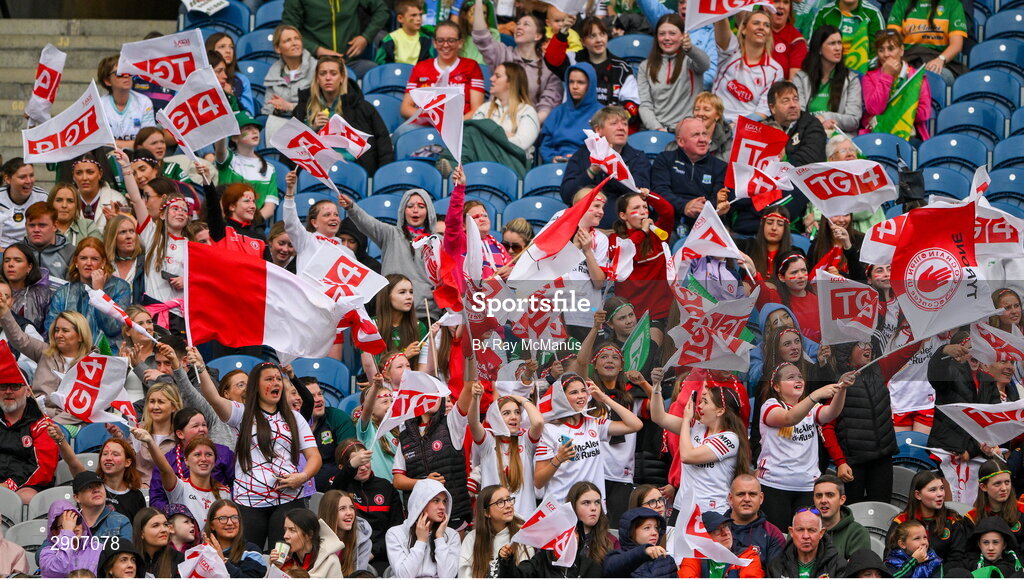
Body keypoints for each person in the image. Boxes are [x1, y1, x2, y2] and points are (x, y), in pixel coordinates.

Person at [195, 353, 321, 549]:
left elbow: (314, 457)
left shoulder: (295, 418)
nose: (276, 383)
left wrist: (302, 476)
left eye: (278, 378)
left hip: (288, 500)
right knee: (248, 560)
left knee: (283, 559)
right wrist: (201, 368)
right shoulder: (241, 413)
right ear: (256, 385)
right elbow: (212, 397)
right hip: (249, 503)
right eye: (269, 379)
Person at [756, 362, 851, 530]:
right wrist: (815, 395)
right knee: (779, 539)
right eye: (790, 377)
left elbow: (831, 413)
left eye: (800, 376)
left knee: (806, 537)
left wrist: (842, 389)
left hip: (807, 486)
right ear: (777, 386)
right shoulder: (770, 405)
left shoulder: (811, 407)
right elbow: (789, 418)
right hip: (774, 485)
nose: (797, 380)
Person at [534, 374, 643, 502]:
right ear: (561, 397)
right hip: (561, 507)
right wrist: (558, 459)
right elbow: (538, 482)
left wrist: (605, 399)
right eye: (574, 392)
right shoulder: (550, 430)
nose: (581, 396)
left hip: (593, 507)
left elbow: (636, 425)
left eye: (583, 390)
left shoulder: (593, 423)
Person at [339, 188, 437, 320]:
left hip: (425, 314)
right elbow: (367, 223)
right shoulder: (389, 234)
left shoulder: (436, 242)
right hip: (391, 313)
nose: (415, 210)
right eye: (410, 206)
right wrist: (351, 207)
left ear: (428, 211)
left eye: (421, 206)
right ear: (403, 210)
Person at [293, 56, 394, 176]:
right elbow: (291, 146)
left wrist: (383, 175)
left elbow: (383, 143)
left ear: (342, 78)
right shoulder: (303, 108)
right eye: (323, 73)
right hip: (314, 171)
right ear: (317, 79)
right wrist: (312, 128)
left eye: (333, 73)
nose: (328, 78)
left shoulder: (361, 107)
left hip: (352, 170)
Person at [0, 301, 92, 424]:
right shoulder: (45, 352)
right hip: (37, 417)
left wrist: (55, 422)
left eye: (65, 331)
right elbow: (19, 339)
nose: (58, 335)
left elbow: (88, 407)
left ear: (80, 336)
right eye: (57, 330)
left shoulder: (92, 363)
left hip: (72, 423)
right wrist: (5, 312)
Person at [560, 106, 652, 229]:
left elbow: (639, 191)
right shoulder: (581, 156)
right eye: (614, 123)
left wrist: (610, 168)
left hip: (625, 229)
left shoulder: (638, 157)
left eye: (625, 124)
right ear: (598, 130)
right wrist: (593, 170)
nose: (621, 128)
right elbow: (567, 194)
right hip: (587, 229)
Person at [472, 5, 561, 124]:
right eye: (518, 24)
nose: (519, 27)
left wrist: (525, 127)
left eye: (526, 24)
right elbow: (481, 36)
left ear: (537, 36)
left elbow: (547, 106)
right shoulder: (502, 53)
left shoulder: (548, 68)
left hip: (527, 127)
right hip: (494, 122)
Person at [544, 17, 641, 125]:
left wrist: (614, 120)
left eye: (602, 34)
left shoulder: (621, 67)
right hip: (574, 125)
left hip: (609, 128)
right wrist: (562, 33)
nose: (599, 40)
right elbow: (551, 59)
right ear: (583, 41)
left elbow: (632, 104)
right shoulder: (574, 60)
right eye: (592, 36)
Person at [133, 429, 229, 534]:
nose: (204, 459)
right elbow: (165, 469)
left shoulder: (224, 492)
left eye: (209, 454)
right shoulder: (181, 487)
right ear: (186, 461)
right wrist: (150, 442)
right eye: (197, 454)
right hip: (185, 549)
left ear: (215, 461)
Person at [45, 237, 131, 350]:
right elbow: (51, 329)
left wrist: (99, 293)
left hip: (106, 355)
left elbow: (113, 327)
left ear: (103, 262)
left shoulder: (120, 288)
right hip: (71, 355)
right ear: (76, 261)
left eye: (94, 259)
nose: (88, 263)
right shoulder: (63, 293)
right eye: (83, 258)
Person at [331, 438, 402, 572]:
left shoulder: (386, 487)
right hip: (348, 555)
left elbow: (396, 529)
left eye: (366, 461)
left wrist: (371, 553)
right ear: (343, 467)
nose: (363, 467)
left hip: (381, 555)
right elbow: (334, 493)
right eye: (358, 463)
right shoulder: (342, 487)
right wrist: (351, 467)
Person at [399, 21, 486, 124]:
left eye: (451, 40)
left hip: (461, 126)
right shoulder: (420, 68)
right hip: (425, 124)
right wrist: (433, 119)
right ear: (434, 43)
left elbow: (477, 110)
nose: (445, 45)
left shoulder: (471, 67)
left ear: (460, 43)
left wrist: (454, 124)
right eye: (440, 40)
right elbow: (405, 108)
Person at [651, 116, 728, 228]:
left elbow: (718, 198)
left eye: (704, 134)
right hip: (670, 222)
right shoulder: (665, 159)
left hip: (706, 224)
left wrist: (703, 209)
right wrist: (684, 206)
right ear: (681, 141)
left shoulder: (720, 167)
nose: (703, 139)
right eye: (696, 135)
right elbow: (660, 191)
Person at [637, 14, 710, 132]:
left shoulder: (690, 60)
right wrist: (658, 128)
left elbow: (705, 64)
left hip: (687, 131)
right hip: (658, 130)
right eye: (662, 34)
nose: (666, 38)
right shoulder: (645, 66)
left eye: (672, 33)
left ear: (683, 35)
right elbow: (645, 104)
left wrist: (690, 49)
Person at [0, 354, 56, 504]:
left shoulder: (43, 424)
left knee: (24, 498)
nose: (8, 391)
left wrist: (9, 485)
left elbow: (43, 468)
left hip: (25, 487)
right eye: (3, 386)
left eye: (16, 386)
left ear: (28, 390)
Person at [712, 9, 785, 123]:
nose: (761, 27)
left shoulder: (775, 70)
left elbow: (763, 110)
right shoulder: (731, 51)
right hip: (717, 120)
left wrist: (738, 126)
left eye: (766, 25)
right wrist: (721, 5)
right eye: (756, 23)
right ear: (744, 29)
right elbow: (721, 22)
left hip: (748, 127)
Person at [860, 30, 933, 140]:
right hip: (878, 134)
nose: (886, 54)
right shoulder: (869, 77)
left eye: (891, 49)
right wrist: (887, 76)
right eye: (881, 50)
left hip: (909, 134)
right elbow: (875, 110)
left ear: (901, 50)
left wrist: (894, 111)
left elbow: (923, 114)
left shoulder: (916, 77)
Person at [888, 470, 967, 570]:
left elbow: (957, 560)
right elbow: (890, 558)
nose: (940, 494)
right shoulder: (902, 521)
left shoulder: (952, 521)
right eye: (933, 490)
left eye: (941, 488)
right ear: (918, 495)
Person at [793, 25, 864, 133]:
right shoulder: (802, 78)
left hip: (838, 138)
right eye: (832, 43)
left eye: (839, 43)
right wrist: (817, 122)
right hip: (808, 134)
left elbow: (853, 120)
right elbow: (797, 114)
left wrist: (825, 117)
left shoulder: (851, 79)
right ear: (819, 49)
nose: (838, 48)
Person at [385, 478, 461, 578]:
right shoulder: (395, 533)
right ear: (421, 502)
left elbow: (448, 576)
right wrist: (421, 541)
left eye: (444, 501)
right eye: (436, 501)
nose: (442, 507)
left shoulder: (452, 535)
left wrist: (440, 538)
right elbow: (404, 576)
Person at [637, 0, 718, 89]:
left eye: (690, 3)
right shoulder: (668, 20)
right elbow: (647, 3)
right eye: (681, 2)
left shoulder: (710, 33)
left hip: (693, 96)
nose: (684, 6)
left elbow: (710, 76)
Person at [469, 62, 541, 160]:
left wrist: (491, 136)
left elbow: (521, 144)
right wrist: (505, 135)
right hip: (483, 160)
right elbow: (473, 136)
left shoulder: (527, 111)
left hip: (513, 163)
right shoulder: (484, 108)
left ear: (511, 83)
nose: (491, 79)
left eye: (497, 76)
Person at [213, 114, 278, 222]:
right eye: (248, 128)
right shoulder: (229, 159)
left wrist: (251, 224)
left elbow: (269, 208)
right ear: (234, 137)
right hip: (225, 222)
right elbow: (220, 149)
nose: (255, 131)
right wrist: (223, 126)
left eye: (256, 128)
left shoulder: (270, 169)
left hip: (254, 224)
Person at [885, 0, 966, 83]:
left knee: (944, 75)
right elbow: (893, 41)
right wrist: (900, 63)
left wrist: (940, 59)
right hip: (908, 59)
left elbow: (956, 45)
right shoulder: (901, 3)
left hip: (938, 59)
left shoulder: (953, 4)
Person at [538, 63, 603, 164]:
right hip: (556, 166)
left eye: (581, 82)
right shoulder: (557, 112)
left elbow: (605, 149)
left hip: (588, 167)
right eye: (571, 82)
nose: (575, 87)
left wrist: (582, 158)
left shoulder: (602, 114)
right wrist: (552, 159)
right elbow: (545, 146)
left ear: (591, 85)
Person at [282, 0, 390, 60]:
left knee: (374, 76)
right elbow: (288, 30)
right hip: (312, 61)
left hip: (349, 61)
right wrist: (316, 50)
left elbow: (382, 11)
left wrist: (365, 37)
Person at [458, 485, 526, 578]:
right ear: (486, 512)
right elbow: (464, 575)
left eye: (509, 499)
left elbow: (525, 574)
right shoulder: (472, 538)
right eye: (501, 502)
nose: (508, 505)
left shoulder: (522, 535)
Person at [677, 511, 765, 577]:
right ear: (705, 537)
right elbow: (686, 576)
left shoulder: (748, 556)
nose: (725, 533)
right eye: (717, 530)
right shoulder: (695, 555)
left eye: (726, 526)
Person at [96, 55, 155, 149]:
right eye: (120, 73)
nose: (126, 76)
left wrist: (113, 144)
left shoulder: (144, 102)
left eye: (128, 72)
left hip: (139, 157)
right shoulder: (99, 105)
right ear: (107, 81)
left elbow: (149, 142)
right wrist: (134, 144)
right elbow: (98, 143)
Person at [766, 80, 828, 169]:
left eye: (796, 99)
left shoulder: (812, 125)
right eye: (785, 101)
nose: (793, 105)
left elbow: (810, 163)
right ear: (772, 108)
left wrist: (783, 158)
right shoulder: (763, 127)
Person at [811, 0, 885, 73]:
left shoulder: (873, 14)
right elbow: (814, 47)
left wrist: (862, 69)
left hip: (861, 72)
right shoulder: (824, 12)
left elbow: (878, 52)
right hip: (828, 70)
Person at [767, 508, 846, 577]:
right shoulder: (776, 566)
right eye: (800, 530)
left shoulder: (838, 565)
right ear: (791, 532)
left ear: (821, 533)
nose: (805, 536)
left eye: (811, 530)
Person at [203, 499, 268, 578]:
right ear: (211, 525)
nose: (230, 523)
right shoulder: (202, 551)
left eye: (234, 517)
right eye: (223, 518)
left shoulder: (251, 551)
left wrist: (222, 561)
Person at [603, 507, 676, 577]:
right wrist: (643, 551)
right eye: (647, 528)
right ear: (630, 532)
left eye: (656, 527)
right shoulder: (616, 557)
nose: (654, 533)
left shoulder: (667, 560)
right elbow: (611, 569)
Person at [966, 459, 1024, 546]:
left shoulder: (1022, 510)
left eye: (1007, 482)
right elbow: (970, 553)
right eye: (997, 484)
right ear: (983, 487)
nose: (1004, 488)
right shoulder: (972, 518)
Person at [270, 508, 343, 577]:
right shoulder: (286, 562)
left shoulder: (330, 561)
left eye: (292, 530)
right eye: (285, 530)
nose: (285, 536)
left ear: (309, 535)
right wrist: (275, 569)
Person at [263, 25, 317, 117]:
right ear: (278, 48)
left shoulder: (317, 68)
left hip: (309, 123)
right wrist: (277, 108)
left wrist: (290, 106)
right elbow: (267, 110)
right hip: (279, 123)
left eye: (297, 38)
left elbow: (322, 106)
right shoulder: (274, 73)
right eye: (288, 40)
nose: (294, 43)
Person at [39, 499, 103, 577]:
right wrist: (67, 533)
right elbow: (60, 569)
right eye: (67, 524)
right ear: (55, 532)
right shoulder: (46, 554)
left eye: (78, 521)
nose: (74, 527)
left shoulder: (98, 549)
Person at [813, 474, 871, 559]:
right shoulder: (801, 529)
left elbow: (857, 570)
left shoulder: (857, 533)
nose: (823, 500)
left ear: (842, 499)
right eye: (819, 496)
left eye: (830, 495)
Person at [318, 490, 372, 575]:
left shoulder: (363, 542)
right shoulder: (313, 539)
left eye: (352, 508)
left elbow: (359, 576)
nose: (349, 513)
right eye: (342, 509)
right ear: (330, 512)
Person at [3, 242, 52, 332]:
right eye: (6, 260)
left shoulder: (42, 294)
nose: (10, 264)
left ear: (29, 267)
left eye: (17, 260)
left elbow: (50, 329)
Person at [71, 155, 127, 232]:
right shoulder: (66, 201)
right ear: (73, 176)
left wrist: (111, 224)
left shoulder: (116, 200)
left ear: (100, 174)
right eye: (79, 173)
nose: (84, 178)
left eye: (90, 172)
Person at [0, 159, 47, 250]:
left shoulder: (43, 198)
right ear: (7, 179)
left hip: (32, 251)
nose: (29, 181)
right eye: (22, 177)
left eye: (31, 175)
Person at [22, 201, 74, 279]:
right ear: (26, 226)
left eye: (42, 225)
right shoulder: (18, 251)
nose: (36, 230)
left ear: (55, 226)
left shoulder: (70, 252)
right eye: (32, 225)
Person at [206, 33, 254, 115]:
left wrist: (231, 96)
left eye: (231, 47)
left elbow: (249, 114)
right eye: (222, 46)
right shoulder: (196, 78)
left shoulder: (241, 79)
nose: (228, 51)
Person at [376, 0, 432, 65]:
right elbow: (380, 65)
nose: (419, 19)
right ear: (400, 18)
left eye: (420, 15)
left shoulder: (426, 40)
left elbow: (429, 64)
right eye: (413, 15)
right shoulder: (390, 39)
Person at [133, 507, 185, 578]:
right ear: (141, 533)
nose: (164, 530)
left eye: (165, 524)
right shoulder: (131, 559)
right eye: (156, 526)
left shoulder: (180, 559)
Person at [769, 0, 809, 79]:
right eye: (776, 1)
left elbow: (793, 84)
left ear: (790, 8)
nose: (781, 6)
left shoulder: (797, 41)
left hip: (779, 90)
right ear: (765, 6)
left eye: (786, 2)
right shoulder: (754, 31)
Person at [693, 92, 733, 162]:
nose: (700, 113)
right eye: (697, 109)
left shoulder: (727, 142)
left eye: (706, 110)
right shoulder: (684, 135)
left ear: (718, 115)